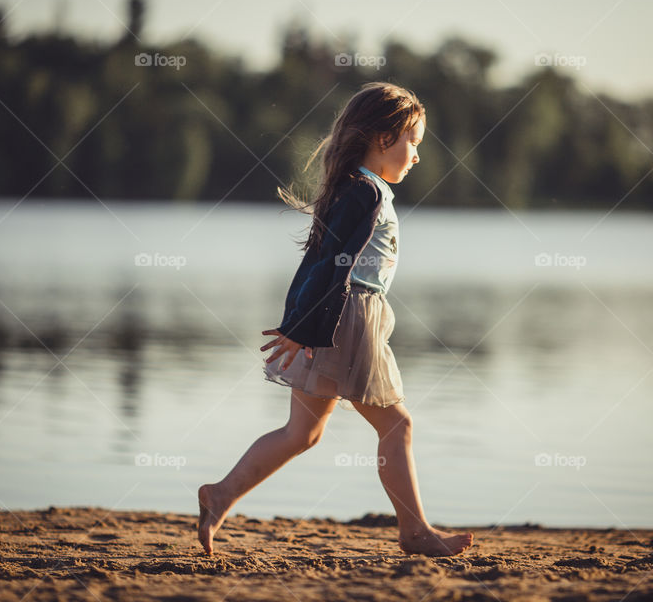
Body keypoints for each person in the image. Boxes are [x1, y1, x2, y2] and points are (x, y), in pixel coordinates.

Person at [198, 82, 474, 557]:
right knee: (397, 426)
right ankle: (415, 533)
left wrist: (298, 325)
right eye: (413, 141)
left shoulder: (357, 190)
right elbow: (329, 265)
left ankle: (220, 494)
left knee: (302, 433)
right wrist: (303, 328)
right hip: (346, 318)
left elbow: (318, 261)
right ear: (383, 138)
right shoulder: (365, 193)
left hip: (331, 317)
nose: (416, 154)